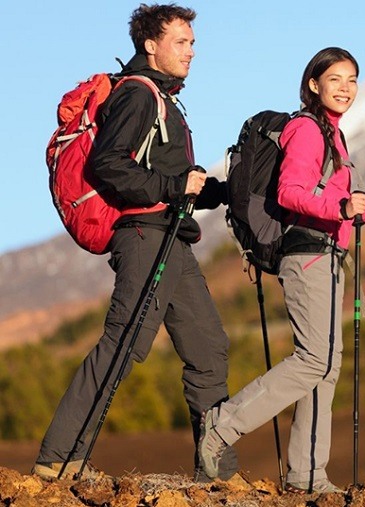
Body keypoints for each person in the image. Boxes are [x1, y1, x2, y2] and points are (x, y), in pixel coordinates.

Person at [33, 3, 239, 482]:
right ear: (151, 45)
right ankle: (57, 461)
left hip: (173, 237)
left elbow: (177, 182)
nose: (192, 51)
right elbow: (110, 165)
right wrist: (174, 188)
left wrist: (229, 190)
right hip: (145, 238)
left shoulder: (165, 100)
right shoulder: (138, 95)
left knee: (208, 349)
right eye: (181, 42)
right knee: (124, 341)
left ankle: (218, 474)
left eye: (193, 42)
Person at [197, 47, 365, 493]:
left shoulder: (334, 137)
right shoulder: (308, 130)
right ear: (314, 85)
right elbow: (292, 192)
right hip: (307, 257)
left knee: (325, 367)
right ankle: (221, 426)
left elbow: (338, 209)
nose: (346, 88)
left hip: (329, 255)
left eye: (352, 79)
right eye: (335, 79)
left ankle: (307, 475)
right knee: (314, 359)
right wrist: (340, 204)